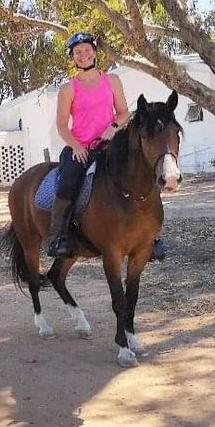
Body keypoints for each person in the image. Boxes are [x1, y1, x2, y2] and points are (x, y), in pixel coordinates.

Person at [48, 32, 140, 258]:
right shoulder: (68, 89)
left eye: (87, 50)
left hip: (110, 145)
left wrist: (114, 128)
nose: (83, 55)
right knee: (68, 183)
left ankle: (150, 234)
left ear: (95, 53)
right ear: (72, 58)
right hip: (81, 149)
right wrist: (77, 147)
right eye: (77, 52)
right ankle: (59, 237)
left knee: (139, 170)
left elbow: (123, 113)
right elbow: (61, 126)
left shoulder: (112, 81)